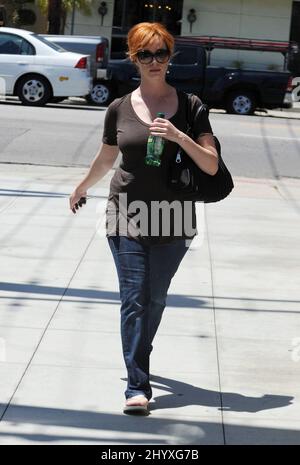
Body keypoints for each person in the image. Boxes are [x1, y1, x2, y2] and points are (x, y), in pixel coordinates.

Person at [69, 22, 218, 416]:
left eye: (161, 53)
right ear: (134, 58)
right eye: (145, 54)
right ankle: (138, 386)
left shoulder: (190, 107)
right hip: (126, 215)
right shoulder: (118, 108)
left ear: (170, 57)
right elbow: (106, 158)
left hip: (173, 218)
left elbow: (212, 164)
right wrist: (82, 186)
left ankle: (139, 351)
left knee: (155, 298)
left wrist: (179, 136)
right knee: (134, 299)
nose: (154, 61)